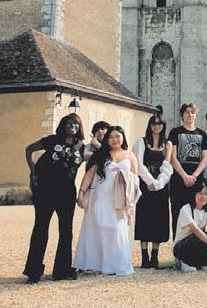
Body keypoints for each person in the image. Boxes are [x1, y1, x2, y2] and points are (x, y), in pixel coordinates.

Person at [23, 113, 86, 283]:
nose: (73, 126)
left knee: (66, 231)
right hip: (45, 190)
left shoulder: (81, 147)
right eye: (69, 123)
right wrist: (33, 171)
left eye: (76, 124)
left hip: (67, 192)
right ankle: (33, 271)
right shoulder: (52, 140)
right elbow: (29, 149)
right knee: (40, 228)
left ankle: (62, 271)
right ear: (63, 125)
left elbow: (98, 159)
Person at [75, 126, 140, 276]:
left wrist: (125, 176)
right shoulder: (101, 155)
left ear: (123, 138)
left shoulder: (130, 156)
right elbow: (89, 174)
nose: (114, 140)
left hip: (120, 199)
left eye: (117, 136)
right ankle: (99, 263)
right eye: (111, 137)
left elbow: (136, 179)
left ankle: (117, 264)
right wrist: (81, 192)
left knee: (117, 230)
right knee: (100, 230)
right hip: (101, 197)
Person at [132, 111, 173, 268]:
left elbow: (167, 165)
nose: (157, 126)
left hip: (161, 186)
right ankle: (144, 256)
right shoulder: (141, 142)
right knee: (144, 217)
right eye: (154, 123)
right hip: (145, 184)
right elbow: (138, 164)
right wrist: (150, 181)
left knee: (159, 218)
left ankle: (155, 255)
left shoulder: (168, 144)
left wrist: (159, 183)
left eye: (160, 123)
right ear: (150, 125)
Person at [168, 103, 207, 236]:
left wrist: (194, 176)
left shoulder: (202, 134)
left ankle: (194, 245)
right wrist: (184, 176)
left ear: (196, 115)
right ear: (182, 115)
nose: (190, 115)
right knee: (177, 213)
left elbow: (205, 158)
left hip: (196, 181)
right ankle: (177, 245)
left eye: (192, 112)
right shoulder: (175, 132)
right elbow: (173, 157)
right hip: (178, 180)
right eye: (187, 112)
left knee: (196, 214)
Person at [173, 180, 207, 272]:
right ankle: (184, 262)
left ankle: (202, 262)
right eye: (200, 193)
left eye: (206, 194)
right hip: (182, 246)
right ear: (194, 194)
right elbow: (194, 229)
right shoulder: (186, 208)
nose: (203, 197)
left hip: (197, 242)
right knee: (197, 235)